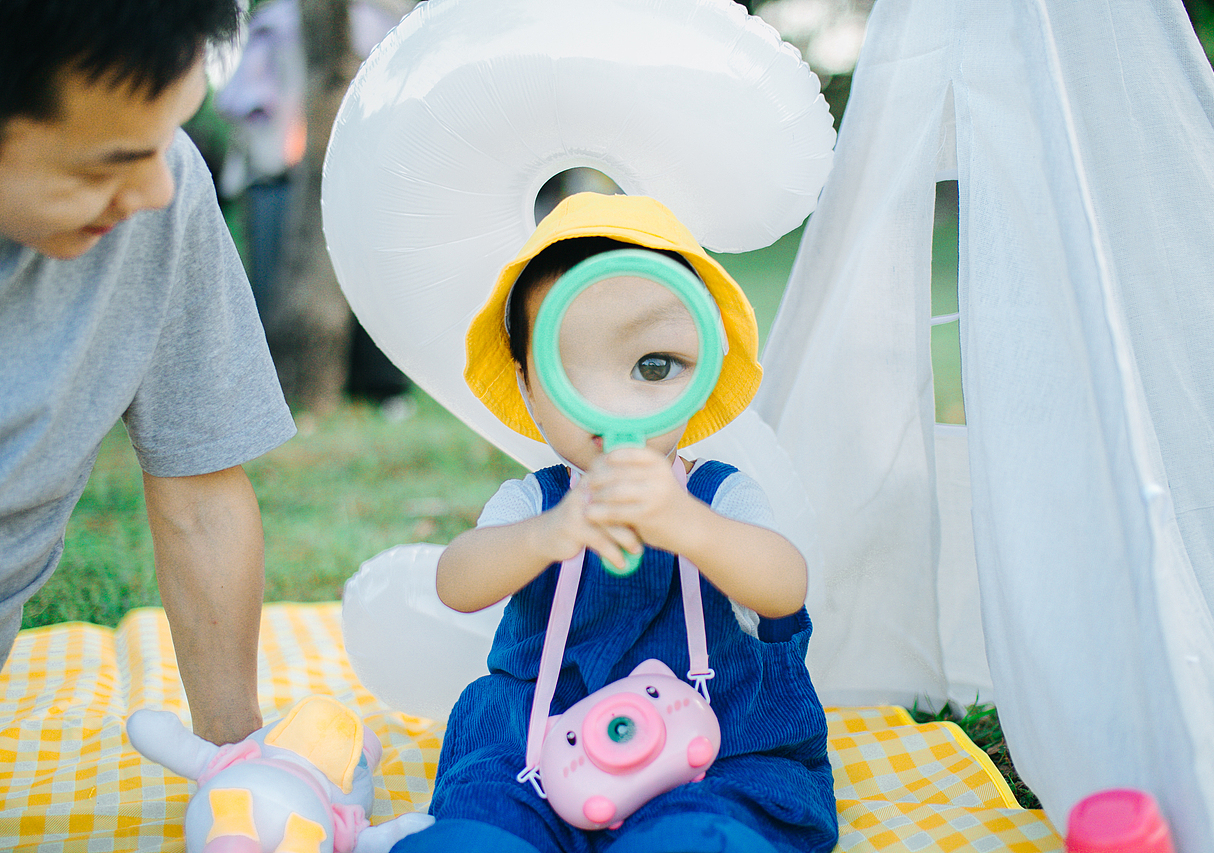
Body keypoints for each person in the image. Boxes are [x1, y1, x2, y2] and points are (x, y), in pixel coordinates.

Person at [395, 193, 837, 853]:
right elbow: (457, 582)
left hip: (715, 748)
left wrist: (690, 525)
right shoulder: (537, 500)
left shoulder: (717, 493)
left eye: (653, 366)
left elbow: (784, 587)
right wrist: (545, 535)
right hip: (538, 745)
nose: (615, 405)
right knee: (481, 817)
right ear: (527, 386)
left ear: (703, 369)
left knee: (704, 832)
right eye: (570, 375)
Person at [0, 0, 296, 745]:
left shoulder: (163, 191)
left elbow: (200, 494)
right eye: (108, 165)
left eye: (169, 137)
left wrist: (237, 756)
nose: (158, 192)